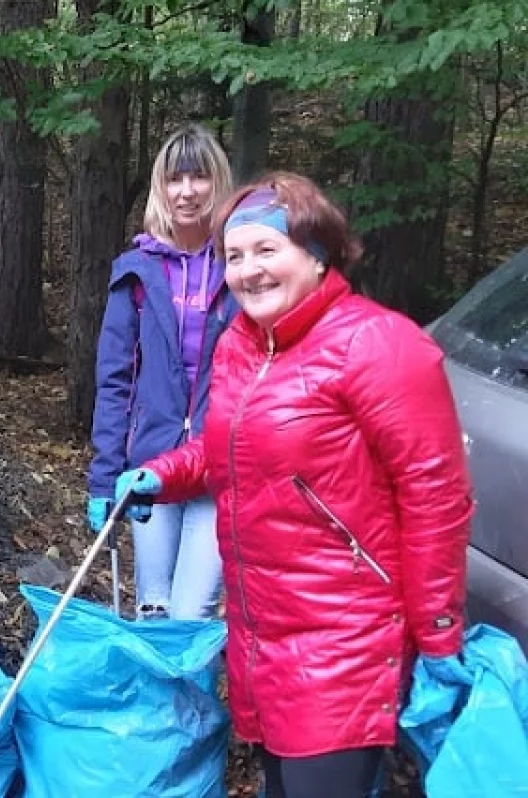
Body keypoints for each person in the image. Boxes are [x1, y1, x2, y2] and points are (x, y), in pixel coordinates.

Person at [115, 172, 472, 798]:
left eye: (266, 250)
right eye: (233, 256)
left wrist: (439, 637)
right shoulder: (242, 347)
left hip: (346, 645)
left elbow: (435, 500)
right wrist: (163, 474)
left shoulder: (379, 345)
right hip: (263, 639)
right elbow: (231, 448)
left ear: (317, 254)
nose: (249, 271)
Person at [87, 123, 236, 620]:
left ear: (219, 185)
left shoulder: (243, 267)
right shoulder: (137, 271)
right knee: (152, 609)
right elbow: (115, 381)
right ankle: (155, 702)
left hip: (220, 465)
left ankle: (188, 700)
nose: (188, 191)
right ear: (161, 188)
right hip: (150, 461)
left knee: (191, 615)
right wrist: (105, 480)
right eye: (176, 179)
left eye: (200, 178)